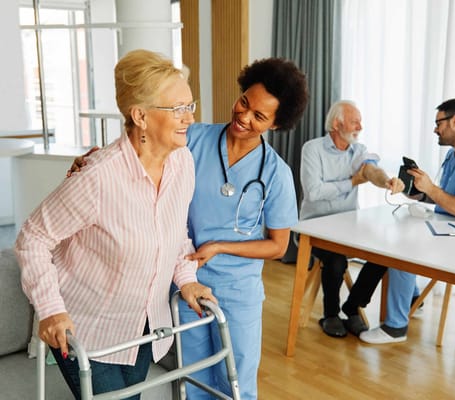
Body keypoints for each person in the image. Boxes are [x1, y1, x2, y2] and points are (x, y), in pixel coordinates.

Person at [69, 57, 309, 399]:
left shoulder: (276, 173)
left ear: (275, 124)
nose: (244, 117)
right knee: (193, 375)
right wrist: (90, 161)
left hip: (238, 290)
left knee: (236, 380)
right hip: (184, 279)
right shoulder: (193, 138)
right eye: (244, 103)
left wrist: (219, 247)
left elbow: (278, 246)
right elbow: (138, 151)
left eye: (259, 116)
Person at [15, 49, 216, 400]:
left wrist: (187, 280)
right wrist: (50, 310)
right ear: (140, 115)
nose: (189, 118)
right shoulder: (98, 177)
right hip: (87, 331)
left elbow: (174, 234)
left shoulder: (183, 163)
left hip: (142, 327)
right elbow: (33, 238)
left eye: (191, 105)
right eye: (177, 109)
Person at [358, 98, 455, 344]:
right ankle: (413, 298)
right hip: (453, 227)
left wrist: (432, 190)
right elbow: (444, 198)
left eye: (439, 123)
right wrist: (413, 189)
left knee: (402, 249)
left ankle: (396, 327)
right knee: (400, 234)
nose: (435, 129)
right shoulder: (454, 155)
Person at [299, 100, 405, 338]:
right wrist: (351, 183)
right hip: (314, 227)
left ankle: (352, 306)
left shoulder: (358, 150)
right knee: (335, 261)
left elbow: (370, 170)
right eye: (355, 121)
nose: (360, 126)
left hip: (348, 226)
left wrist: (387, 181)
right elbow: (314, 192)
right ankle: (331, 315)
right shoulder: (312, 149)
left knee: (384, 253)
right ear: (337, 124)